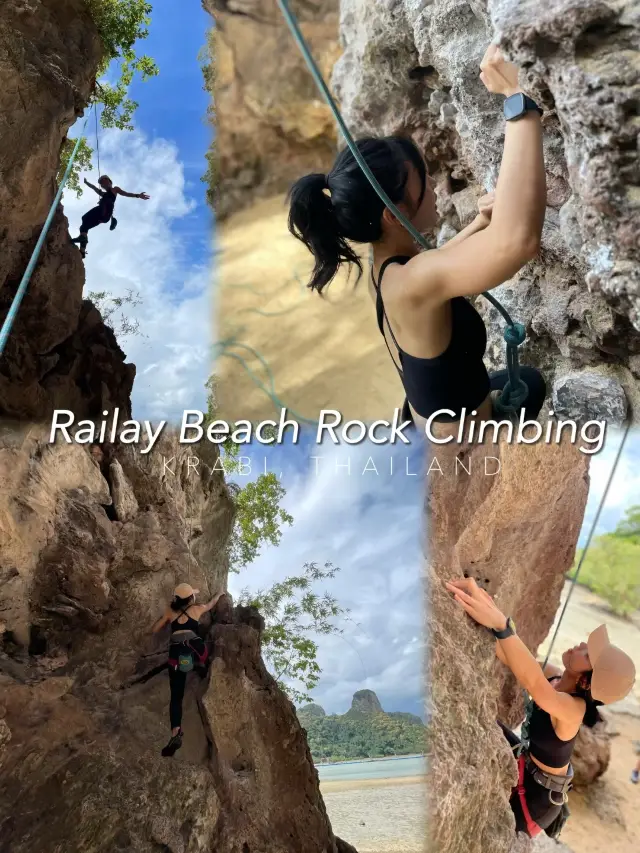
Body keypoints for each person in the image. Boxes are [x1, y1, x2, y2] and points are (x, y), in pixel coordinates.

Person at [287, 44, 548, 432]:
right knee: (532, 386)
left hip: (427, 423)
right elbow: (517, 242)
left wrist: (479, 223)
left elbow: (437, 262)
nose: (434, 187)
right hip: (462, 450)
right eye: (423, 184)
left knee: (527, 380)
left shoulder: (387, 267)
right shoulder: (413, 281)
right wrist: (517, 100)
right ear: (393, 216)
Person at [446, 577, 636, 838]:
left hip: (534, 802)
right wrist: (491, 612)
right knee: (474, 721)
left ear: (585, 680)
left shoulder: (572, 710)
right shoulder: (556, 678)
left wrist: (502, 625)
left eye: (588, 654)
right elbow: (515, 658)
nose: (581, 645)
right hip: (525, 768)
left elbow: (534, 683)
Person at [151, 582, 224, 757]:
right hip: (194, 651)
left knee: (176, 695)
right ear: (191, 598)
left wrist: (168, 615)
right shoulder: (197, 609)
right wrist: (219, 593)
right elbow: (211, 604)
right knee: (201, 649)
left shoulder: (170, 612)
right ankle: (202, 666)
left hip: (176, 655)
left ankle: (175, 732)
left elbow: (155, 629)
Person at [71, 175, 150, 257]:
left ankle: (83, 239)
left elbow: (125, 193)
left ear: (109, 182)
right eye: (101, 184)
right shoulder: (103, 193)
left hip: (104, 211)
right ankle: (82, 251)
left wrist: (138, 195)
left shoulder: (114, 189)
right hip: (103, 216)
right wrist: (86, 183)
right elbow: (94, 188)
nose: (102, 184)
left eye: (104, 182)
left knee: (86, 217)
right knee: (84, 226)